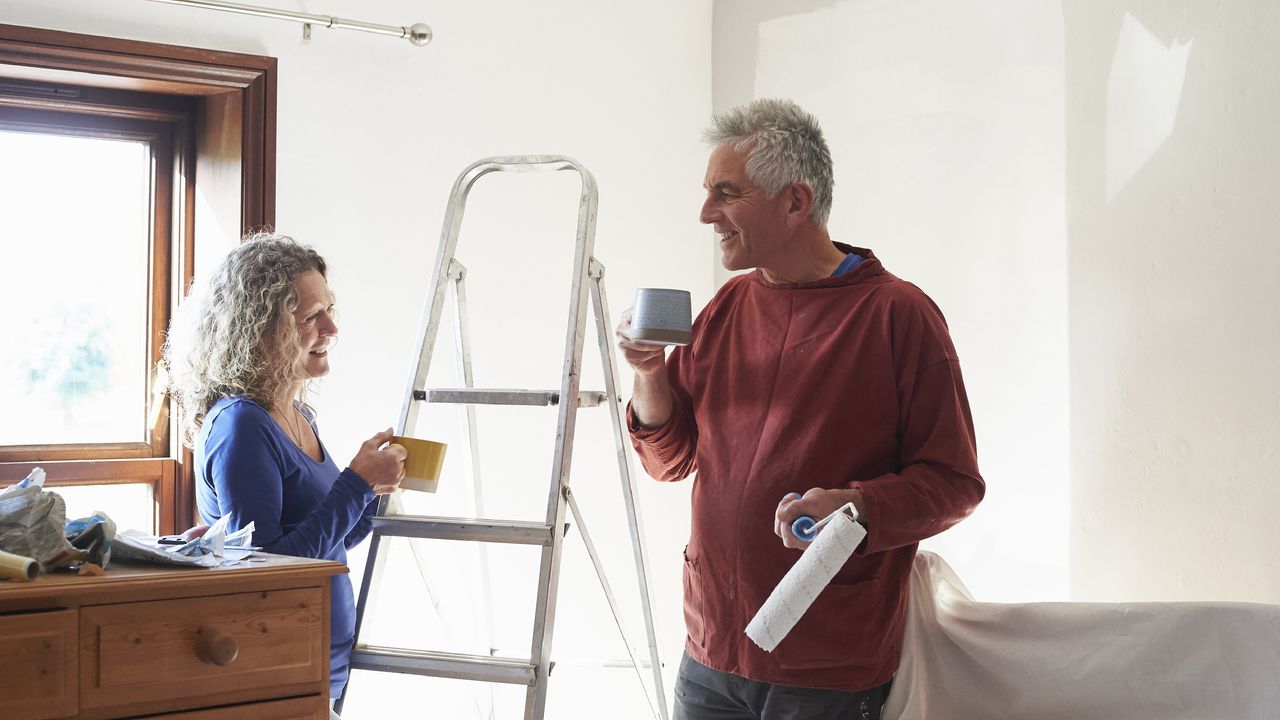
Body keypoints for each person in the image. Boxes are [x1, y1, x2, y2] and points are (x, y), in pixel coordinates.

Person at [616, 99, 985, 719]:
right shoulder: (728, 308)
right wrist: (650, 372)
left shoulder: (898, 316)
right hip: (709, 653)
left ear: (795, 201)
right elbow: (670, 460)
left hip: (826, 665)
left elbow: (954, 484)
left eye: (726, 194)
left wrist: (857, 507)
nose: (706, 214)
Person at [163, 233, 406, 712]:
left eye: (329, 309)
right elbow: (268, 565)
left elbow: (326, 543)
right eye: (312, 317)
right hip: (275, 665)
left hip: (320, 671)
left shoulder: (298, 416)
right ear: (260, 327)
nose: (332, 328)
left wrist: (373, 491)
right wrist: (354, 482)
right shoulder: (240, 425)